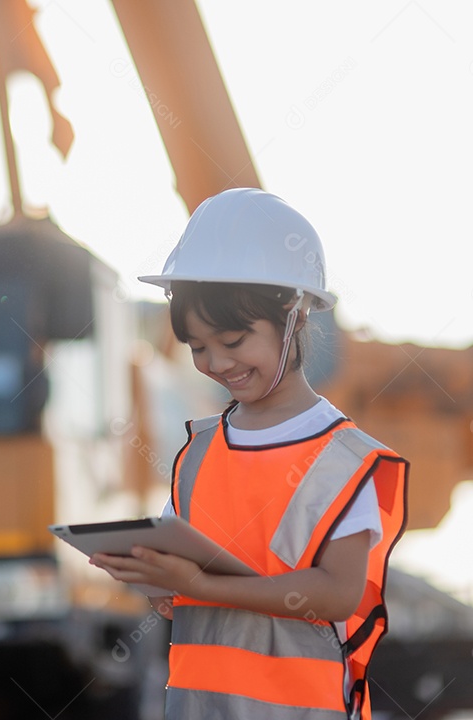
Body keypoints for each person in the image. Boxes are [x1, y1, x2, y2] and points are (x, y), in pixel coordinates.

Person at [90, 188, 408, 720]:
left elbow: (336, 595)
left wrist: (202, 585)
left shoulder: (343, 460)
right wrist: (161, 584)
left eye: (234, 340)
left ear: (297, 315)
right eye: (197, 347)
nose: (216, 362)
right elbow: (185, 572)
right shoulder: (198, 452)